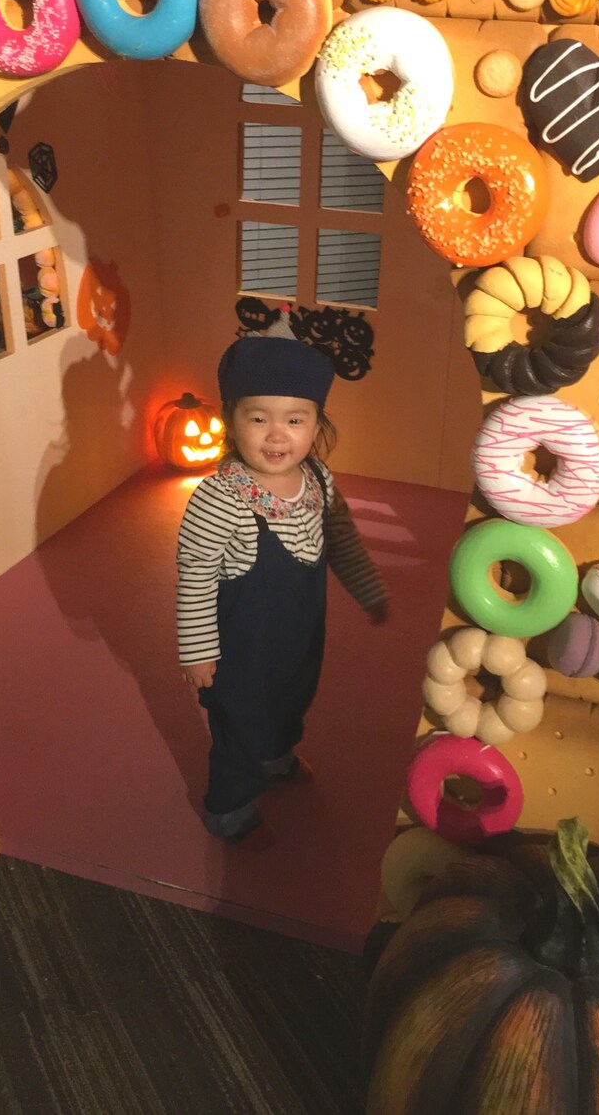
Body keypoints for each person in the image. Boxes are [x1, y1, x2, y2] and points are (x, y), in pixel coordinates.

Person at [176, 310, 388, 841]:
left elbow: (340, 535)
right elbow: (195, 575)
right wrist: (197, 651)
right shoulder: (220, 498)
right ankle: (229, 808)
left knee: (293, 698)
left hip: (299, 635)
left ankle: (276, 756)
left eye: (295, 420)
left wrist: (366, 588)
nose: (277, 434)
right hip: (241, 652)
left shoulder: (317, 478)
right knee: (241, 725)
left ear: (317, 424)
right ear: (231, 420)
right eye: (258, 418)